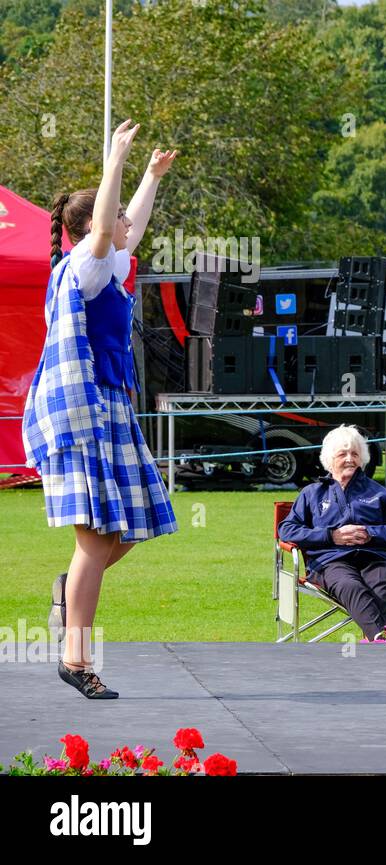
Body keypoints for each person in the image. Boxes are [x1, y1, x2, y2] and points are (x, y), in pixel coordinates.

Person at [26, 120, 179, 699]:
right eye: (117, 220)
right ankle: (77, 658)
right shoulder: (85, 267)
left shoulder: (106, 265)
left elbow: (126, 227)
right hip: (82, 413)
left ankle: (68, 590)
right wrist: (114, 161)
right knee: (94, 539)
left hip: (110, 411)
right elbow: (109, 229)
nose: (127, 226)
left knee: (134, 527)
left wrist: (148, 176)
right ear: (94, 228)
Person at [278, 426, 386, 641]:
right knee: (351, 586)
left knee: (381, 588)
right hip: (331, 562)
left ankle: (380, 640)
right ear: (329, 459)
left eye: (355, 453)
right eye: (342, 454)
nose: (350, 459)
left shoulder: (378, 493)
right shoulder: (312, 493)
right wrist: (331, 535)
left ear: (363, 458)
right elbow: (287, 529)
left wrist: (372, 533)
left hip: (376, 559)